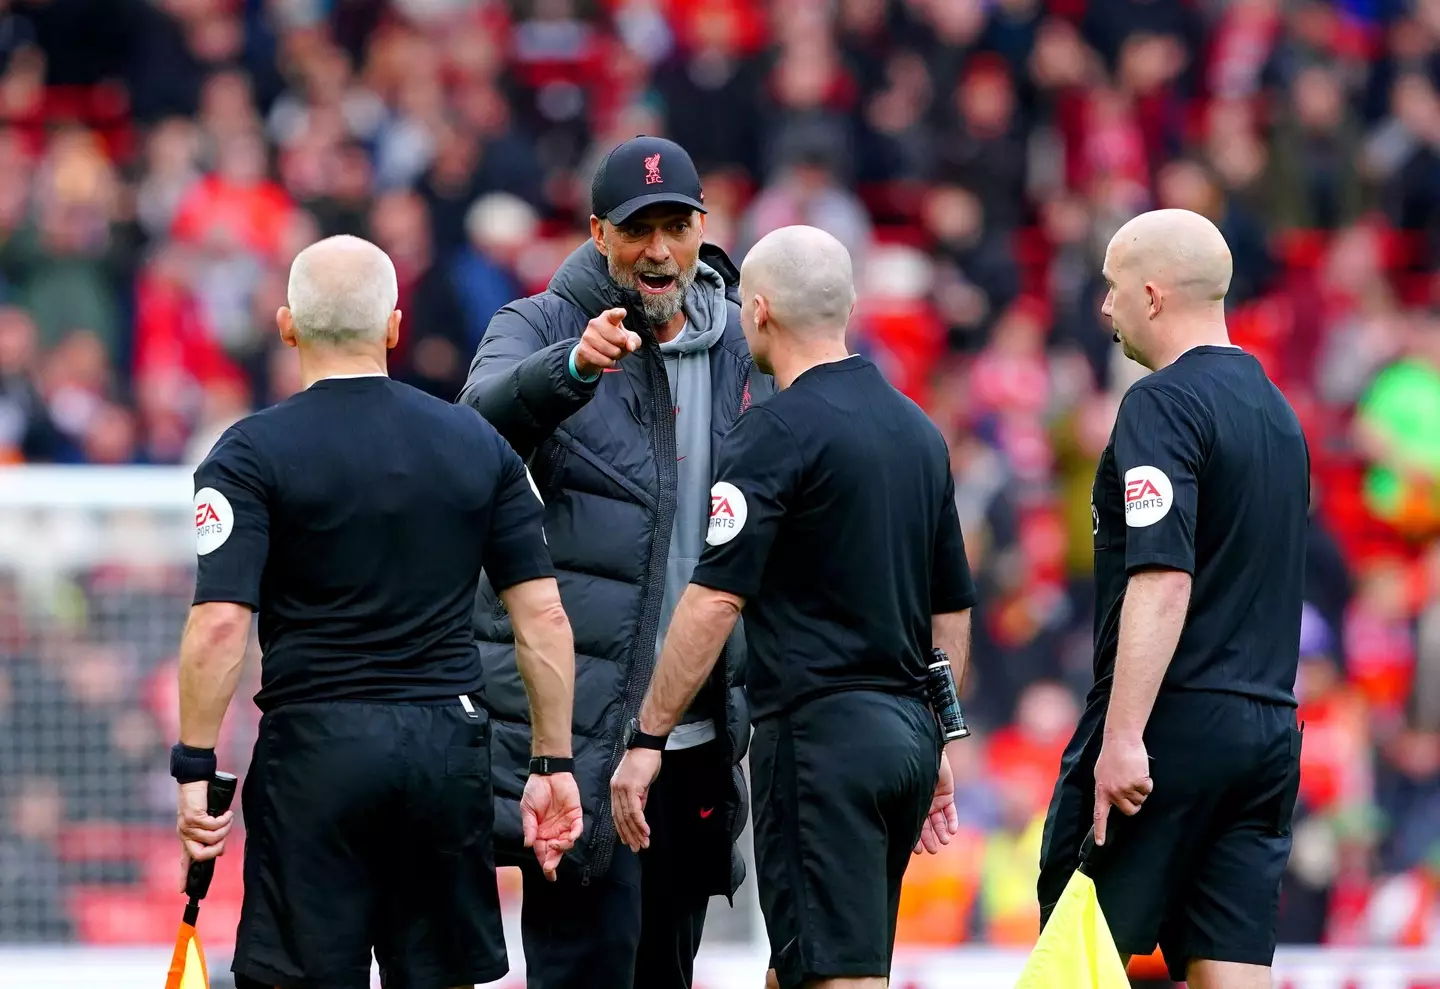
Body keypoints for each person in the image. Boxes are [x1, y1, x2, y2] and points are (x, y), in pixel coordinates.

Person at [171, 235, 584, 989]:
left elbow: (221, 623)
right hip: (444, 748)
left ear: (287, 324)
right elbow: (544, 618)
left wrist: (196, 765)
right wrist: (551, 761)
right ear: (394, 326)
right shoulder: (480, 444)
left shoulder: (248, 454)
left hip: (314, 750)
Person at [610, 225, 979, 989]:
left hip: (821, 742)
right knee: (803, 961)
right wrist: (942, 732)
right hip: (906, 737)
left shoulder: (772, 434)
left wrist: (649, 734)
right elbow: (952, 610)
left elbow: (713, 600)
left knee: (835, 974)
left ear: (761, 311)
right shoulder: (918, 431)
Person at [456, 136, 771, 989]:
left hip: (695, 731)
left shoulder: (750, 341)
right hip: (579, 740)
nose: (659, 250)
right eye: (638, 230)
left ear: (704, 227)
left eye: (677, 226)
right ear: (598, 233)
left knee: (669, 968)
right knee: (582, 971)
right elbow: (474, 431)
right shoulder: (537, 324)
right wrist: (568, 370)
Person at [1036, 209, 1310, 989]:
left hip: (1170, 725)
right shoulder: (1280, 416)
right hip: (1265, 732)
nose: (1104, 306)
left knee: (1074, 959)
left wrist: (1123, 734)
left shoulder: (1160, 405)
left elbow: (1163, 574)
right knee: (1231, 965)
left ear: (1152, 296)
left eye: (1112, 287)